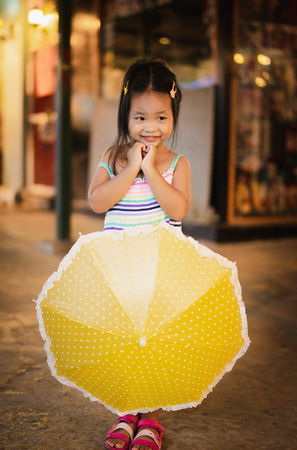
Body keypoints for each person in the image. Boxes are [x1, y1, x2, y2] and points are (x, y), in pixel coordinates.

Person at [88, 58, 191, 450]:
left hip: (160, 273)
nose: (151, 127)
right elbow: (98, 202)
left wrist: (150, 172)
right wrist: (130, 169)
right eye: (141, 118)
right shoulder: (114, 155)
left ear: (173, 116)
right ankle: (127, 411)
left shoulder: (177, 163)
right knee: (124, 345)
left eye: (161, 118)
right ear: (125, 116)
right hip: (119, 272)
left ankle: (152, 419)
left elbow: (178, 210)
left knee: (156, 346)